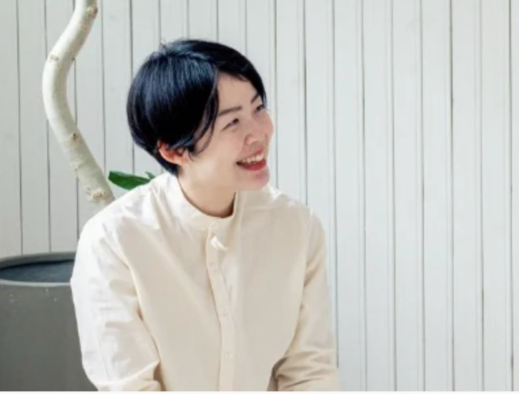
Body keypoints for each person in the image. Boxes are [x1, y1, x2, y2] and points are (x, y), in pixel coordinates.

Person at [71, 40, 339, 390]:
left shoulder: (295, 227)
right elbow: (129, 385)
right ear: (174, 150)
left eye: (258, 108)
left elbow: (310, 371)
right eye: (233, 122)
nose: (259, 133)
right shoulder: (115, 240)